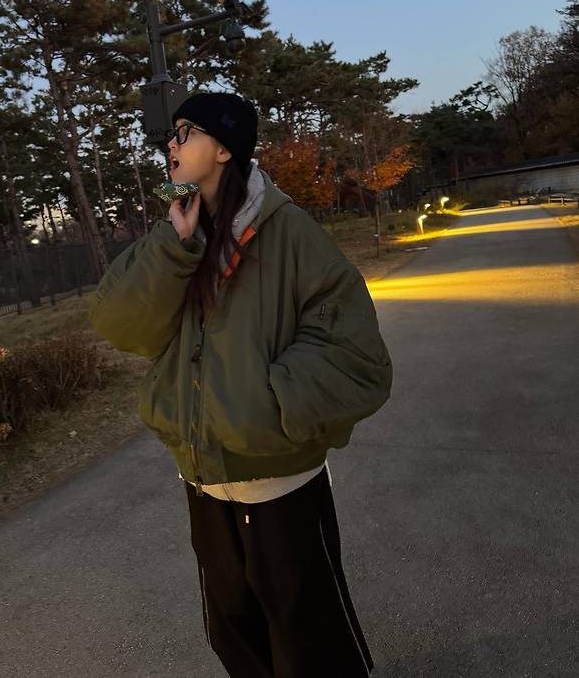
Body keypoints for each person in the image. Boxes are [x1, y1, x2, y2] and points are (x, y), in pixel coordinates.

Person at [88, 91, 393, 678]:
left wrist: (263, 406)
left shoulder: (289, 231)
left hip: (278, 479)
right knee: (233, 628)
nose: (170, 144)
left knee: (308, 635)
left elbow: (356, 353)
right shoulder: (179, 232)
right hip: (202, 476)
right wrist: (173, 245)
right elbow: (117, 323)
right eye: (171, 133)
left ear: (225, 148)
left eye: (185, 132)